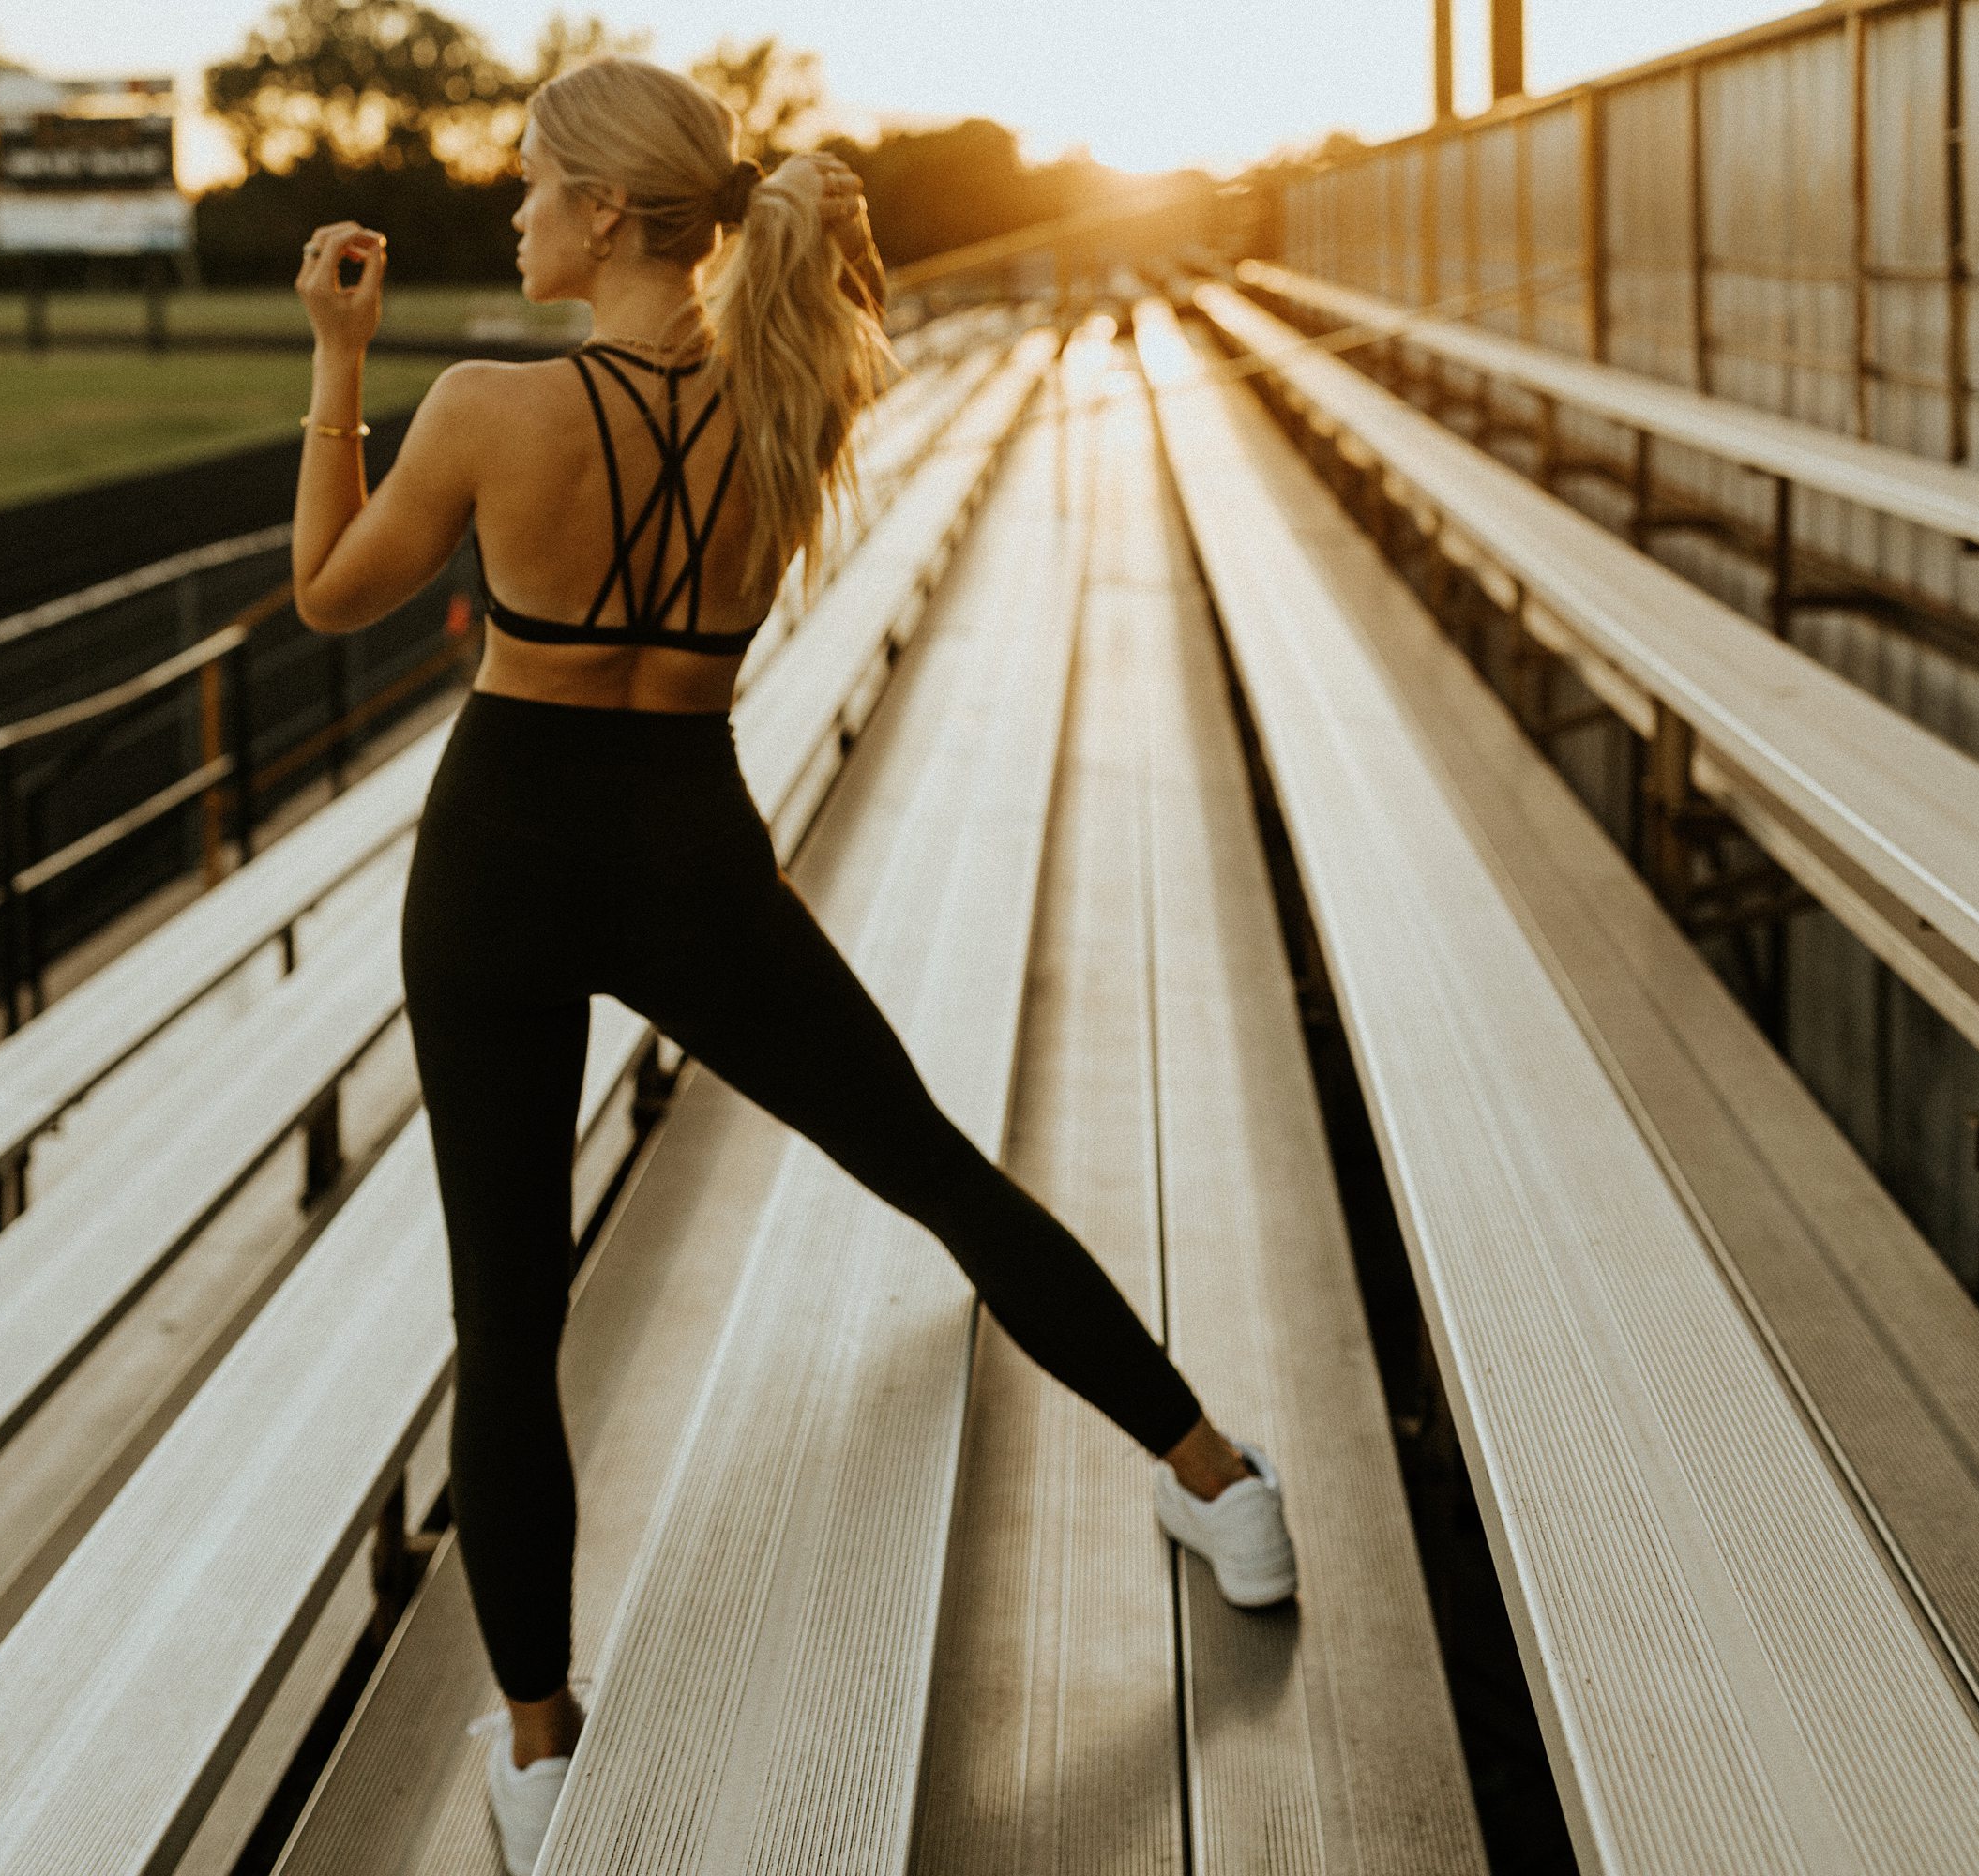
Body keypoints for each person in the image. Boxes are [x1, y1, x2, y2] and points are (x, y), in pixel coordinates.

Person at [289, 55, 1295, 1874]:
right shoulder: (799, 389)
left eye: (532, 184)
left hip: (502, 862)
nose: (511, 210)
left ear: (604, 213)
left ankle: (536, 1751)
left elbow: (332, 594)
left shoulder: (482, 407)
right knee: (938, 1173)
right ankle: (1221, 1484)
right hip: (691, 849)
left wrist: (337, 357)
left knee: (508, 1319)